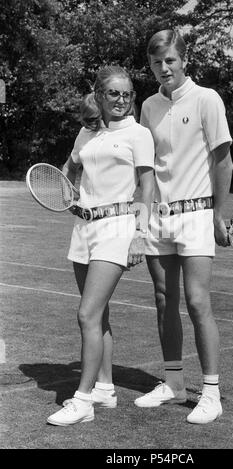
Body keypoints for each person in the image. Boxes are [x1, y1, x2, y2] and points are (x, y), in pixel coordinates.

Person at [134, 30, 233, 424]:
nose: (164, 68)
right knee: (163, 299)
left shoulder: (207, 99)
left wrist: (218, 214)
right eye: (157, 62)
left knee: (196, 301)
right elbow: (146, 168)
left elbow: (223, 161)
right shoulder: (147, 106)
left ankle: (211, 393)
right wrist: (141, 218)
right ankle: (173, 382)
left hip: (196, 216)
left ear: (184, 60)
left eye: (170, 60)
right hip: (158, 216)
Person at [47, 65, 155, 426]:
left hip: (118, 228)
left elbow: (147, 186)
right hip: (84, 229)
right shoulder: (85, 132)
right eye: (114, 94)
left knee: (86, 314)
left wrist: (140, 232)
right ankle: (105, 388)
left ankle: (82, 401)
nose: (122, 100)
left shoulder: (139, 134)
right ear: (99, 96)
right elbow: (69, 168)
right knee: (100, 315)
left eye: (127, 94)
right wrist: (69, 194)